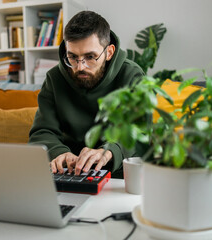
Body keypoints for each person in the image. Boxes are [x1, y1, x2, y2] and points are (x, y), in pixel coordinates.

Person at [28, 11, 145, 178]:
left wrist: (109, 152)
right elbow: (42, 132)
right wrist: (60, 153)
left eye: (90, 57)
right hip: (66, 174)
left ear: (109, 52)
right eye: (73, 57)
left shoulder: (131, 75)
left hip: (117, 175)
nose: (80, 66)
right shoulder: (54, 78)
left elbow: (140, 132)